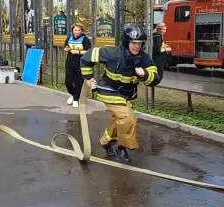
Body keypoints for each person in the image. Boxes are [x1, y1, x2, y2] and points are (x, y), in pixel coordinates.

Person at [80, 23, 161, 162]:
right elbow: (88, 56)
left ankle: (106, 142)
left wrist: (145, 74)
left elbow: (155, 78)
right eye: (133, 43)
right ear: (127, 42)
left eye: (140, 43)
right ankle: (122, 146)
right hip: (108, 91)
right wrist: (88, 78)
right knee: (128, 118)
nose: (137, 46)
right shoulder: (113, 54)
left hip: (126, 96)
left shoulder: (144, 59)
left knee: (118, 121)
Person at [64, 23, 92, 108]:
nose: (77, 32)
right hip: (70, 63)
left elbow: (89, 51)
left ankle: (76, 99)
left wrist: (78, 52)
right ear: (73, 30)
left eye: (79, 30)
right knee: (68, 82)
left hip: (80, 64)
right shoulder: (69, 38)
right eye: (75, 30)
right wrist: (67, 49)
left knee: (78, 83)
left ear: (81, 31)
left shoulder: (85, 39)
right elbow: (66, 46)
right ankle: (72, 94)